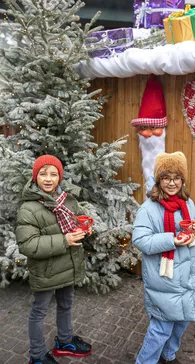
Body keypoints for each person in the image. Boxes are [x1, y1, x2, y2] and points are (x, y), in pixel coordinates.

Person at [15, 155, 92, 364]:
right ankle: (37, 355)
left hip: (68, 265)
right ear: (35, 177)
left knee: (66, 304)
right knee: (39, 311)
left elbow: (75, 221)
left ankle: (65, 342)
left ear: (59, 177)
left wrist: (84, 229)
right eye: (43, 173)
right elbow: (28, 245)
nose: (48, 179)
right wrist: (65, 240)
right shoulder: (29, 208)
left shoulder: (66, 200)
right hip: (46, 270)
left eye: (53, 174)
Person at [132, 151, 195, 364]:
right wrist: (172, 240)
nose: (172, 183)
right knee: (161, 329)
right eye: (166, 177)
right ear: (159, 180)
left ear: (182, 180)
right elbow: (140, 240)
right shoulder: (148, 208)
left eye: (177, 178)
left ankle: (169, 355)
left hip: (188, 278)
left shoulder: (187, 202)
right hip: (165, 279)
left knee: (182, 321)